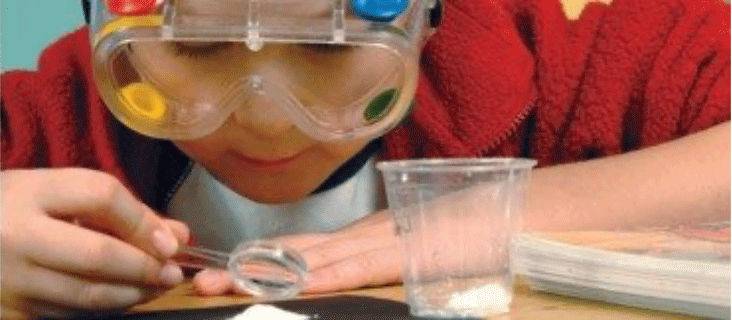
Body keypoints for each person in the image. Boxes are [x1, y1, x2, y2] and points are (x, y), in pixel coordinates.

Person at [1, 0, 729, 318]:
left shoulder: (543, 58)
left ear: (423, 17)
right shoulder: (52, 118)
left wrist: (492, 218)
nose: (263, 115)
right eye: (199, 43)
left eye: (330, 44)